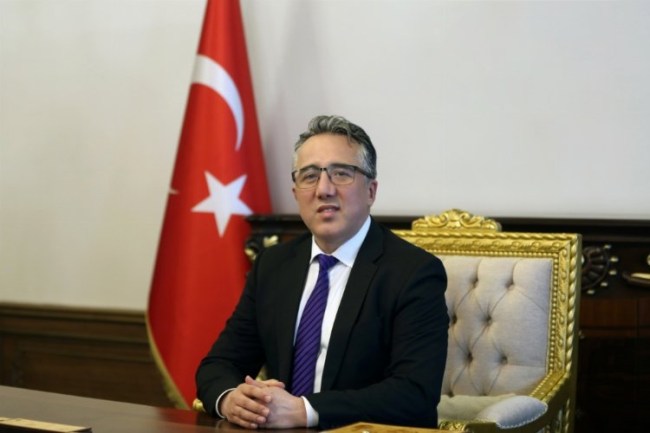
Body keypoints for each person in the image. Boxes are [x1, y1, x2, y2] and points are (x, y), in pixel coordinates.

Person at [195, 115, 448, 429]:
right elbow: (218, 365)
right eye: (310, 176)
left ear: (371, 191)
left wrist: (305, 410)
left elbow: (414, 394)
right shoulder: (273, 265)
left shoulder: (414, 272)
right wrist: (232, 399)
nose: (324, 189)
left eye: (341, 174)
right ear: (296, 193)